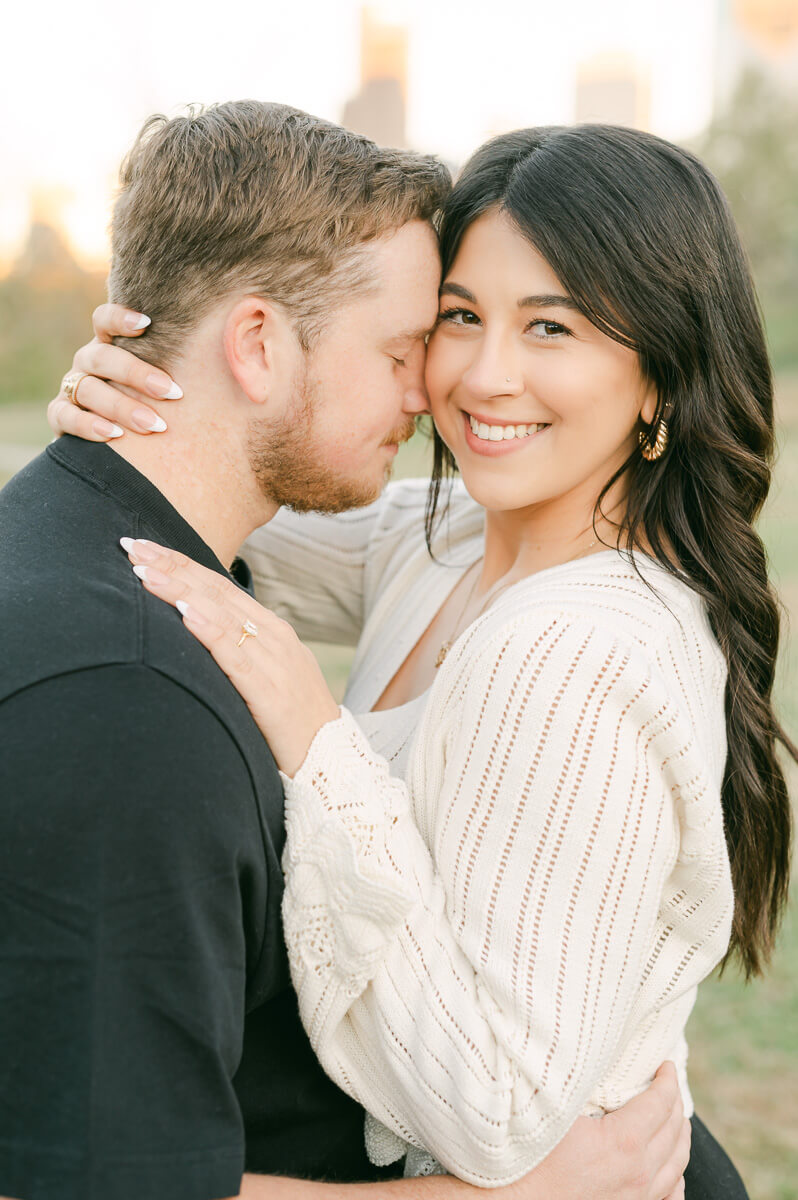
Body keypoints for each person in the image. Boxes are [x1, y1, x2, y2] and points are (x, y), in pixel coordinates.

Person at [49, 122, 794, 1198]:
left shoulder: (570, 652)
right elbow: (219, 500)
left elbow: (491, 1111)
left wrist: (316, 740)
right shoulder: (447, 539)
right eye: (460, 317)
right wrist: (138, 388)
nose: (486, 377)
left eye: (553, 327)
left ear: (660, 379)